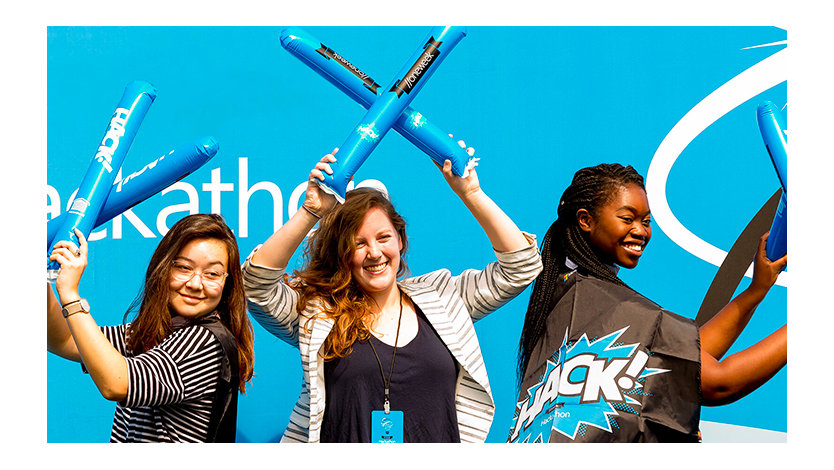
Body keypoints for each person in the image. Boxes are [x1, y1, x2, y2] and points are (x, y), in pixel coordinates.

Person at [242, 141, 542, 443]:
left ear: (400, 240)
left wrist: (471, 193)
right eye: (358, 243)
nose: (374, 253)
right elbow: (255, 286)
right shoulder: (319, 312)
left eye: (384, 237)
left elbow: (521, 267)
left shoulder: (442, 298)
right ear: (341, 253)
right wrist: (310, 211)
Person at [511, 163, 786, 443]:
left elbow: (681, 363)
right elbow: (718, 383)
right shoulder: (608, 308)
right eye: (627, 218)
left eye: (645, 221)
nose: (641, 231)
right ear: (585, 220)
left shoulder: (566, 303)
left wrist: (756, 290)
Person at [47, 213, 255, 442]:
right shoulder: (156, 330)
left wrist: (70, 295)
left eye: (212, 274)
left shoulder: (203, 341)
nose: (196, 284)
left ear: (227, 282)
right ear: (164, 268)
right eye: (184, 268)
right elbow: (64, 338)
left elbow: (116, 383)